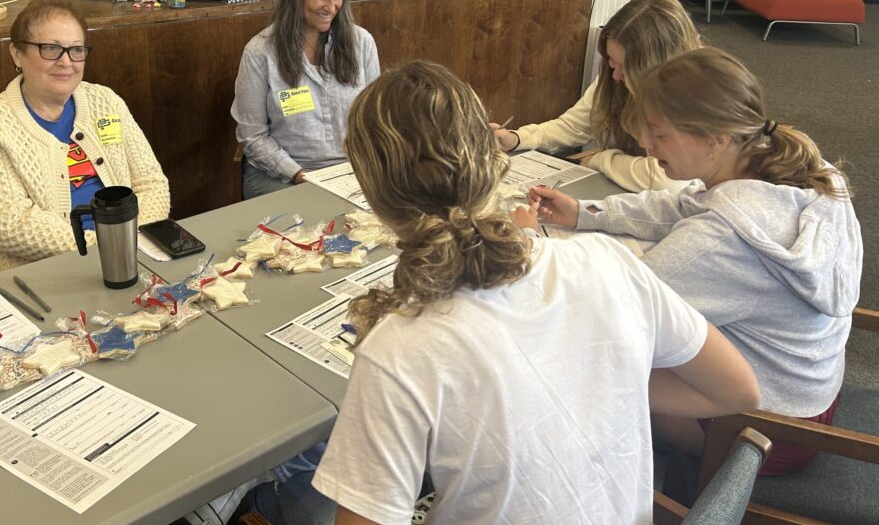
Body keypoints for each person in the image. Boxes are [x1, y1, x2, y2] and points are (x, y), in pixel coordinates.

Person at [311, 61, 760, 524]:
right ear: (490, 158)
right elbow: (738, 389)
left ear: (369, 187)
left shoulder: (401, 347)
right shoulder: (607, 261)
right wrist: (598, 378)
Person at [524, 47, 861, 475]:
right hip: (806, 392)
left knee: (572, 365)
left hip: (767, 432)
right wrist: (587, 213)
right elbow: (685, 205)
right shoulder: (788, 165)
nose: (646, 145)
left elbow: (611, 305)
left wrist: (531, 243)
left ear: (716, 139)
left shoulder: (722, 239)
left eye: (658, 133)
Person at [0, 0, 170, 274]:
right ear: (16, 54)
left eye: (76, 50)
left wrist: (130, 240)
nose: (66, 62)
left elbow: (151, 183)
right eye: (51, 49)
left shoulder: (106, 102)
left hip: (129, 254)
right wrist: (108, 243)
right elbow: (11, 226)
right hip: (33, 275)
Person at [491, 0, 700, 192]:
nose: (616, 75)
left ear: (657, 66)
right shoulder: (614, 76)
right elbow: (573, 127)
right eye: (611, 61)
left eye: (624, 67)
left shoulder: (697, 94)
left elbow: (669, 181)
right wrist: (517, 139)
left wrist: (602, 160)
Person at [231, 0, 381, 199]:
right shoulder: (259, 52)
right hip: (282, 176)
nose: (332, 7)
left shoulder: (362, 43)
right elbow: (252, 138)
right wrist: (301, 176)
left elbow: (375, 122)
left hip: (349, 173)